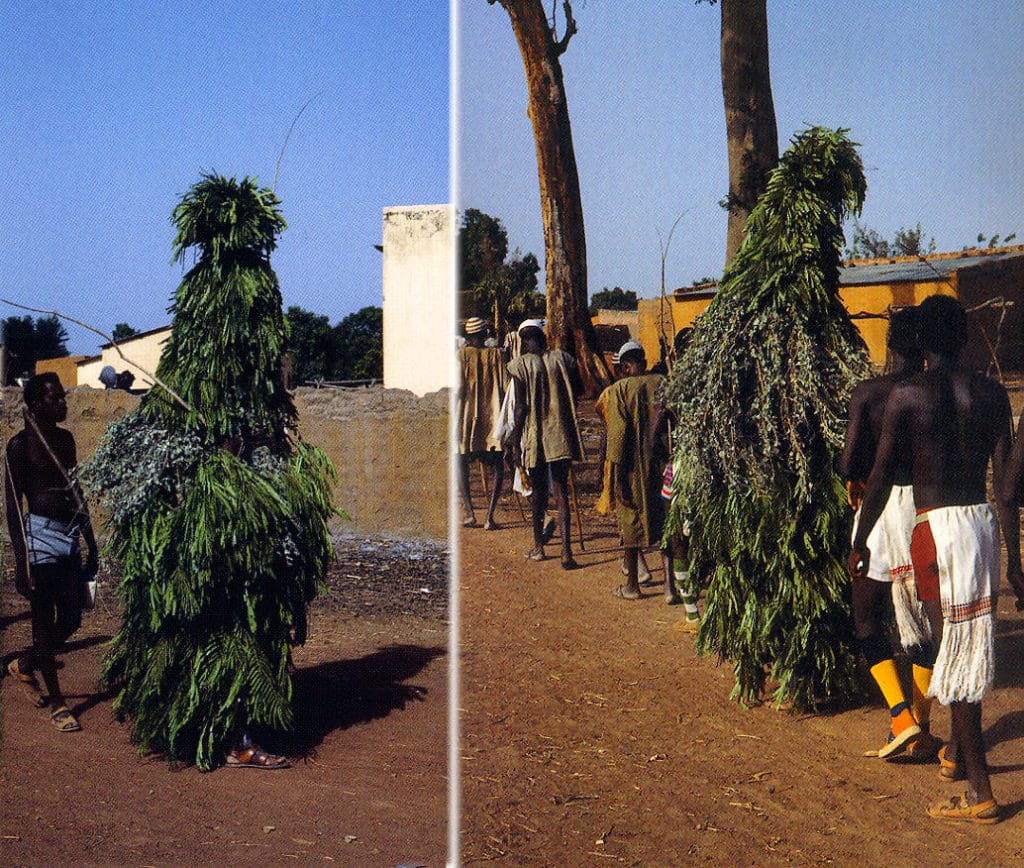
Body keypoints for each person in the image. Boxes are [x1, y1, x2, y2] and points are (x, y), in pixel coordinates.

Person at [850, 294, 1024, 824]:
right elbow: (1008, 489)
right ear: (966, 337)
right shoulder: (994, 395)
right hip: (980, 530)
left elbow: (878, 478)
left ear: (921, 342)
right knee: (967, 652)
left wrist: (859, 539)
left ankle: (980, 793)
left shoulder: (906, 396)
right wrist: (1014, 559)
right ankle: (956, 757)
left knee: (949, 652)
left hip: (932, 530)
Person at [840, 306, 938, 760]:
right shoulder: (933, 392)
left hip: (880, 509)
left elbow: (850, 462)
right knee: (923, 624)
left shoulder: (869, 393)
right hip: (927, 510)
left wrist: (854, 479)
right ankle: (919, 720)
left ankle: (900, 718)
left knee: (866, 616)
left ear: (890, 344)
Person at [4, 373, 98, 733]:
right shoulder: (19, 446)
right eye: (55, 398)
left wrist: (90, 540)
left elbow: (76, 492)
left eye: (63, 397)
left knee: (72, 618)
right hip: (39, 540)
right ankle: (58, 703)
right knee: (42, 622)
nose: (63, 403)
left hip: (68, 535)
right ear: (35, 404)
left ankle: (24, 664)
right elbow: (14, 507)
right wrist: (22, 560)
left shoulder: (66, 440)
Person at [505, 323, 584, 569]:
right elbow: (579, 390)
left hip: (535, 436)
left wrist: (514, 440)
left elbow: (521, 408)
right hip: (559, 434)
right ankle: (566, 552)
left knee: (538, 494)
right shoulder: (562, 359)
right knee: (561, 494)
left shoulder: (521, 366)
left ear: (523, 341)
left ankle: (539, 547)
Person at [604, 340, 672, 601]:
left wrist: (617, 477)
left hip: (632, 467)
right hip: (662, 464)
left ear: (625, 367)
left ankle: (633, 585)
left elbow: (618, 435)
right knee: (667, 520)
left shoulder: (619, 390)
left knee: (630, 523)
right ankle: (669, 587)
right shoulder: (661, 383)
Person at [457, 316, 509, 529]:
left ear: (468, 336)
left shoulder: (459, 357)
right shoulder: (496, 356)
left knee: (459, 463)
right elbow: (506, 386)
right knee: (497, 466)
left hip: (466, 419)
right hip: (491, 419)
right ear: (484, 334)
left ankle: (470, 512)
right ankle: (490, 516)